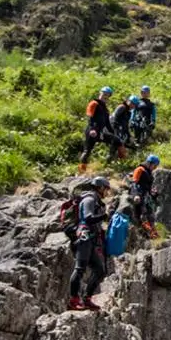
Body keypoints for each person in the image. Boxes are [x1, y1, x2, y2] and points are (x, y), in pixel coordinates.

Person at [69, 176, 111, 311]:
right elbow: (88, 218)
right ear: (100, 187)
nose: (107, 193)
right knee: (80, 268)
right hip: (84, 238)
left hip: (91, 239)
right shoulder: (89, 199)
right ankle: (74, 299)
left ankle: (87, 298)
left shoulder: (96, 201)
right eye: (106, 189)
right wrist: (104, 216)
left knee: (100, 270)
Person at [79, 87, 115, 173]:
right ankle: (81, 171)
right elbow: (89, 116)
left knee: (115, 141)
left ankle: (108, 164)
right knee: (87, 150)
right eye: (104, 94)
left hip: (100, 132)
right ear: (100, 93)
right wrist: (92, 129)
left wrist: (113, 133)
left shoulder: (105, 109)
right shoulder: (94, 103)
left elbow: (107, 124)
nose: (105, 96)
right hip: (91, 131)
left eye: (107, 95)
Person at [130, 154, 161, 239]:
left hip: (146, 196)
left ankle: (153, 231)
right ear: (150, 163)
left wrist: (153, 194)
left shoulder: (149, 173)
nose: (155, 168)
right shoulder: (140, 169)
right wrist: (136, 195)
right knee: (143, 214)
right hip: (139, 195)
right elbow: (134, 183)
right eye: (155, 165)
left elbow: (148, 187)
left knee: (151, 214)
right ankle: (148, 233)